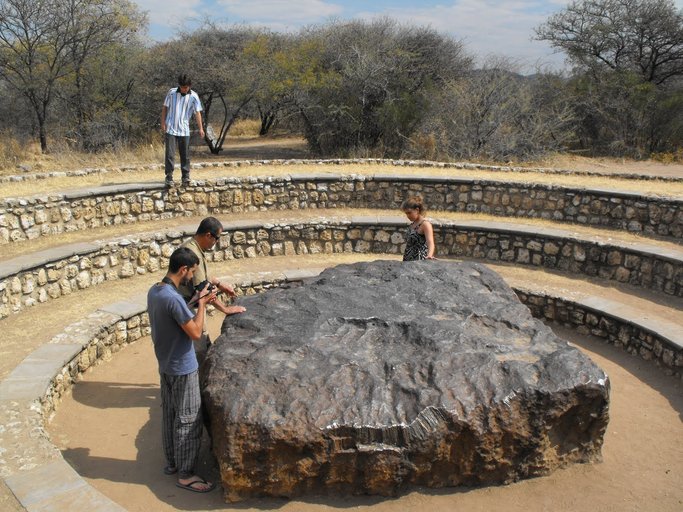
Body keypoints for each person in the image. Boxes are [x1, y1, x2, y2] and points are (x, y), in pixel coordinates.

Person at [147, 247, 217, 493]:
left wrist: (195, 300)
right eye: (192, 272)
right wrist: (202, 306)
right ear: (184, 269)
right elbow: (196, 332)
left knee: (170, 414)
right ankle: (186, 474)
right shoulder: (174, 299)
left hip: (165, 364)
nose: (192, 278)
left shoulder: (156, 291)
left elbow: (174, 316)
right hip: (183, 368)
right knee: (189, 419)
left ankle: (172, 463)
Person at [178, 216, 246, 358]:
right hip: (188, 309)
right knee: (200, 352)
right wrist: (225, 309)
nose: (216, 242)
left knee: (204, 346)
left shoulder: (193, 247)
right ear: (208, 235)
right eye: (216, 238)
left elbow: (203, 278)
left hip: (189, 307)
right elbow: (203, 290)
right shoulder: (192, 252)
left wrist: (220, 284)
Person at [161, 74, 204, 187]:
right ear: (179, 85)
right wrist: (163, 122)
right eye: (182, 87)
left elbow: (197, 112)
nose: (184, 89)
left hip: (184, 129)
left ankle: (185, 176)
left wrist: (201, 128)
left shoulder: (194, 96)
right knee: (170, 154)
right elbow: (165, 107)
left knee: (185, 154)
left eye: (186, 87)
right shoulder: (171, 92)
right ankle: (169, 176)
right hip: (171, 127)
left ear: (189, 86)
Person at [401, 196, 436, 261]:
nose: (408, 216)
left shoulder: (425, 224)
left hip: (420, 262)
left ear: (417, 210)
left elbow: (430, 242)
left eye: (409, 213)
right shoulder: (412, 224)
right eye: (406, 213)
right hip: (407, 261)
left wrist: (430, 255)